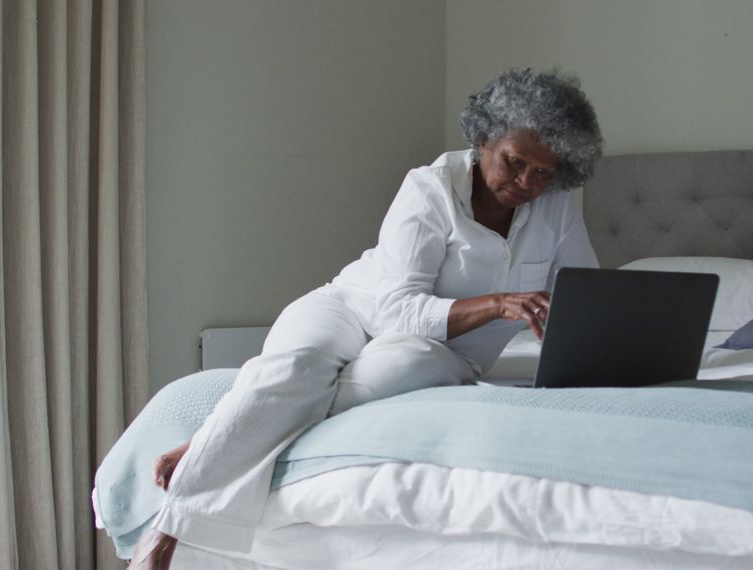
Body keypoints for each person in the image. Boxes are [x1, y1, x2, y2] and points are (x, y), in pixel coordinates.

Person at [130, 68, 604, 568]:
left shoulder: (557, 208)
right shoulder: (429, 188)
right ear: (485, 139)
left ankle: (220, 437)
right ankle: (165, 531)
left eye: (544, 172)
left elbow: (585, 295)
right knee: (297, 361)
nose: (527, 182)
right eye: (515, 162)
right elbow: (397, 308)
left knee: (374, 381)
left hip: (443, 349)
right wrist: (498, 303)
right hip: (353, 305)